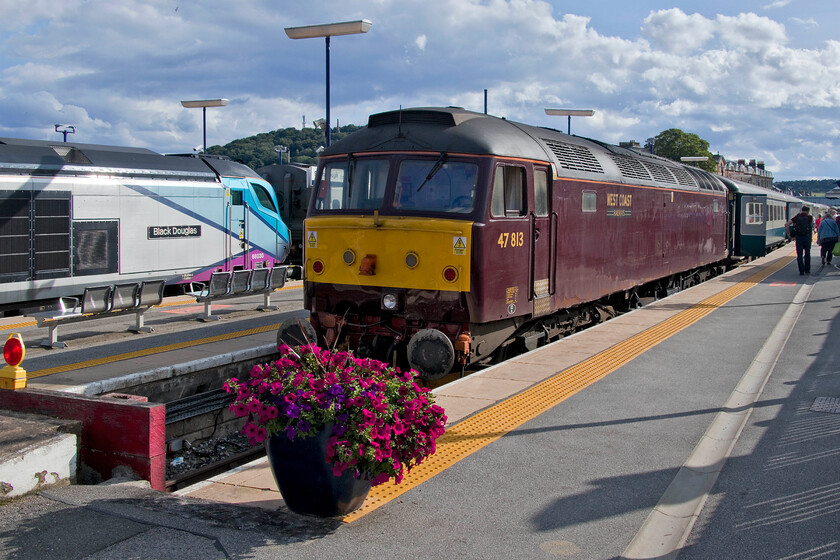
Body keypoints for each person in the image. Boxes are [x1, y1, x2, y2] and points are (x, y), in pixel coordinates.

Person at [787, 205, 814, 275]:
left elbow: (786, 224)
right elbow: (811, 227)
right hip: (807, 238)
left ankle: (801, 271)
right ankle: (807, 270)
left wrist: (789, 234)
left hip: (799, 238)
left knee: (799, 255)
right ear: (808, 211)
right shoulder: (810, 217)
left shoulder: (797, 217)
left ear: (802, 210)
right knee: (807, 253)